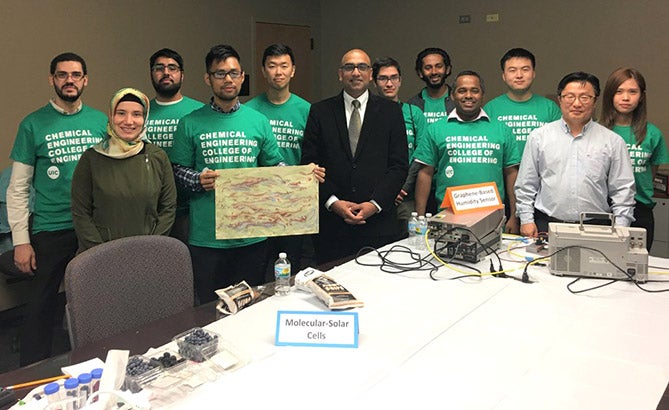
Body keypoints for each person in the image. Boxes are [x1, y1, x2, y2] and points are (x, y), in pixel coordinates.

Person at [170, 45, 318, 304]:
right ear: (208, 79)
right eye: (219, 74)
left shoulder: (258, 120)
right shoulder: (190, 122)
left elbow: (274, 166)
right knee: (208, 307)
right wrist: (196, 180)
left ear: (242, 77)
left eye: (233, 73)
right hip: (207, 237)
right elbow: (175, 170)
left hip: (252, 235)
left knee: (250, 304)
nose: (228, 79)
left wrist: (302, 177)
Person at [7, 52, 107, 365]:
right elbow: (18, 187)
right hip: (51, 227)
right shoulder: (33, 124)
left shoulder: (100, 121)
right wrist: (21, 240)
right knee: (41, 305)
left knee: (97, 297)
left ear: (85, 80)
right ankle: (30, 373)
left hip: (92, 225)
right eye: (62, 75)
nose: (69, 80)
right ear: (52, 80)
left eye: (76, 75)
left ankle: (99, 358)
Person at [301, 48, 408, 264]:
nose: (356, 72)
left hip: (378, 222)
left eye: (362, 67)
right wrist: (333, 202)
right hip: (332, 225)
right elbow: (310, 165)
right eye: (349, 67)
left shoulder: (391, 112)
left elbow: (398, 166)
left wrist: (375, 204)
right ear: (340, 74)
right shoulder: (320, 112)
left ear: (370, 74)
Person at [515, 71, 636, 238]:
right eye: (570, 96)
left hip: (596, 226)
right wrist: (526, 220)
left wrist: (621, 229)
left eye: (585, 97)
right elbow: (526, 184)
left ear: (595, 101)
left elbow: (623, 190)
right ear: (560, 99)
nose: (577, 103)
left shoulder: (613, 141)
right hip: (547, 223)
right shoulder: (539, 137)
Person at [413, 71, 521, 233]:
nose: (468, 95)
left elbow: (511, 173)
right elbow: (425, 173)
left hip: (493, 219)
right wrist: (420, 219)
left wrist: (514, 215)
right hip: (448, 217)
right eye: (462, 91)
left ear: (482, 94)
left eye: (474, 90)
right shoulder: (436, 129)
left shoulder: (501, 130)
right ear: (453, 95)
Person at [71, 88, 177, 253]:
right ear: (111, 116)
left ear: (145, 118)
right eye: (121, 113)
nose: (129, 121)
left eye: (136, 114)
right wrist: (99, 252)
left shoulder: (157, 157)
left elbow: (168, 208)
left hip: (147, 253)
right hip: (100, 256)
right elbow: (81, 213)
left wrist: (152, 245)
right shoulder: (91, 158)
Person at [245, 43, 311, 275]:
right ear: (263, 70)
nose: (278, 72)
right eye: (272, 66)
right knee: (257, 265)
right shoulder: (249, 111)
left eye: (284, 66)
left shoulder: (307, 111)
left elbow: (313, 155)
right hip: (258, 202)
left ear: (293, 70)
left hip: (294, 202)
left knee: (292, 265)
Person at [601, 68, 669, 250]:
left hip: (640, 208)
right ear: (610, 96)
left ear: (641, 97)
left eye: (632, 92)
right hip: (602, 209)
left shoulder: (652, 133)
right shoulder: (597, 132)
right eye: (619, 91)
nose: (625, 98)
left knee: (635, 267)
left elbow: (652, 172)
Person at [146, 48, 204, 244]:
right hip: (150, 209)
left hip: (189, 208)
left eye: (172, 68)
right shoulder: (140, 113)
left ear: (182, 75)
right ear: (152, 74)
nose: (166, 73)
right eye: (159, 68)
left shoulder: (199, 112)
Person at [372, 56, 428, 230]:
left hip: (406, 195)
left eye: (394, 77)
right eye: (383, 78)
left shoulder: (413, 113)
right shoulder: (368, 114)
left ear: (400, 80)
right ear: (374, 82)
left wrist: (401, 187)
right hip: (375, 195)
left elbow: (422, 153)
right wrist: (385, 190)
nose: (389, 83)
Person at [484, 48, 561, 156]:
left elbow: (560, 146)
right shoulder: (490, 109)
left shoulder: (550, 108)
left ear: (533, 73)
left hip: (542, 171)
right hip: (501, 172)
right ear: (504, 76)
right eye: (512, 70)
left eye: (525, 69)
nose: (519, 75)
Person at [407, 47, 455, 124]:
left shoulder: (458, 101)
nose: (434, 72)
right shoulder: (411, 106)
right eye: (428, 68)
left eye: (439, 66)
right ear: (420, 73)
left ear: (448, 69)